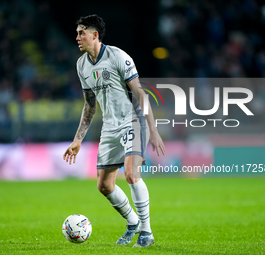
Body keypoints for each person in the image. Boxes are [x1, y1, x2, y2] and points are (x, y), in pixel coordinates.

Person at [63, 14, 165, 247]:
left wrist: (154, 129)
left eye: (81, 32)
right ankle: (133, 223)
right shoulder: (82, 65)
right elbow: (90, 105)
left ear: (94, 34)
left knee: (130, 174)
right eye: (77, 33)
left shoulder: (118, 56)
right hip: (109, 127)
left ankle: (146, 233)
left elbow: (140, 93)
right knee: (104, 186)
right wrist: (78, 140)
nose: (77, 37)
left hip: (133, 120)